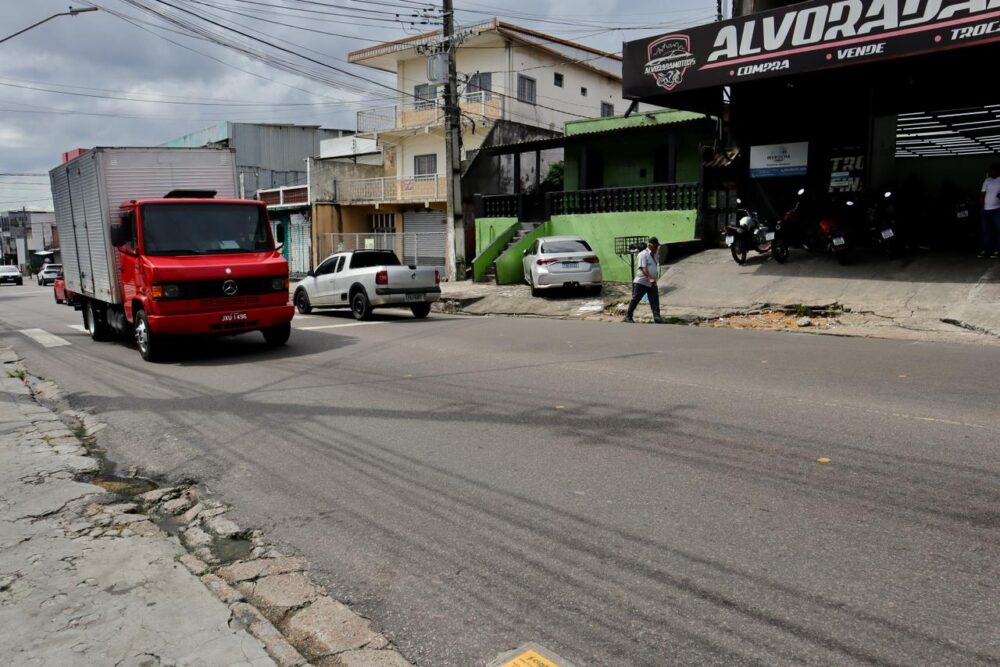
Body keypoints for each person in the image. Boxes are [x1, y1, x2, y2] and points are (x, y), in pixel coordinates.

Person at [625, 237, 663, 323]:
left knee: (655, 300)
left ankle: (657, 317)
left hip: (652, 282)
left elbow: (654, 267)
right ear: (650, 245)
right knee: (635, 299)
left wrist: (654, 279)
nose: (657, 248)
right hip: (641, 282)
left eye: (657, 246)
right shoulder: (643, 254)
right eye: (655, 246)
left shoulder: (654, 255)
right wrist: (650, 278)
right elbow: (643, 268)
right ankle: (628, 316)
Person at [978, 163, 1000, 258]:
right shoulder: (987, 180)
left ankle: (997, 250)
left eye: (991, 170)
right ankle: (986, 250)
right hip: (985, 211)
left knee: (999, 230)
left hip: (997, 210)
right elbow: (982, 194)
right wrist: (982, 207)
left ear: (997, 171)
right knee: (986, 232)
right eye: (989, 171)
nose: (989, 172)